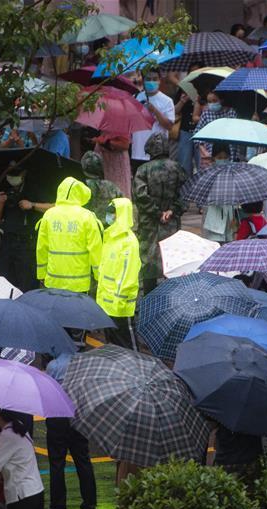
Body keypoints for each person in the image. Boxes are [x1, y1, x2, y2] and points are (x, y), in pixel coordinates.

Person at [43, 354, 97, 509]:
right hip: (79, 416)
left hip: (57, 417)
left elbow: (48, 394)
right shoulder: (84, 363)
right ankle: (90, 508)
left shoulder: (53, 366)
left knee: (57, 464)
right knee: (83, 461)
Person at [133, 133, 187, 294]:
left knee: (148, 261)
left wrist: (156, 213)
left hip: (149, 224)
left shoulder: (143, 170)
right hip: (171, 223)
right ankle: (169, 298)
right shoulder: (178, 168)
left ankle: (149, 298)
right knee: (171, 260)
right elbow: (186, 194)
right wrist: (172, 210)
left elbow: (140, 196)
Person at [0, 163, 53, 291]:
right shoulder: (4, 189)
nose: (12, 177)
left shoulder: (35, 188)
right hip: (7, 242)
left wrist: (32, 205)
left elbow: (53, 207)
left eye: (16, 173)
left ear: (23, 173)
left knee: (27, 284)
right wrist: (1, 202)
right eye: (10, 173)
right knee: (3, 283)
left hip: (27, 243)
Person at [35, 177, 102, 293]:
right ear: (81, 195)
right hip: (79, 283)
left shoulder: (49, 215)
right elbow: (96, 250)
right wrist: (99, 276)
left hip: (53, 280)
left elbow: (42, 248)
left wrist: (41, 274)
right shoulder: (87, 216)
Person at [97, 198, 141, 349]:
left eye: (113, 213)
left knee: (128, 346)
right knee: (112, 346)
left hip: (120, 307)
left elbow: (128, 275)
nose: (109, 216)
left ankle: (135, 364)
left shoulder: (129, 242)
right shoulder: (110, 237)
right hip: (106, 303)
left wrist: (119, 303)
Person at [131, 70, 175, 172]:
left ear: (160, 80)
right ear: (143, 80)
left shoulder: (167, 101)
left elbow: (169, 126)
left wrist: (155, 111)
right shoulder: (135, 98)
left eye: (155, 79)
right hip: (137, 152)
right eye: (148, 79)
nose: (151, 82)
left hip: (158, 154)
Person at [201, 145, 238, 243]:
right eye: (220, 157)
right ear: (214, 158)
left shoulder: (233, 174)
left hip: (229, 216)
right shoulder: (208, 174)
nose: (223, 160)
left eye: (226, 157)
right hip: (213, 215)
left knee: (229, 241)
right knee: (214, 242)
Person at [193, 91, 237, 167]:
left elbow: (236, 132)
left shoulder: (231, 112)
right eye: (209, 102)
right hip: (210, 154)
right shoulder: (206, 114)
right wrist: (204, 151)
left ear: (221, 100)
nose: (212, 104)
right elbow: (197, 135)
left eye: (214, 101)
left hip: (229, 152)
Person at [81, 151, 123, 222]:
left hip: (87, 225)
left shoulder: (80, 186)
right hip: (108, 225)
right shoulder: (111, 186)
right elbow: (121, 204)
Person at [93, 133, 132, 198]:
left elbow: (125, 145)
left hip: (117, 162)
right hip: (105, 159)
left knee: (120, 189)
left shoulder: (121, 129)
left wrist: (105, 141)